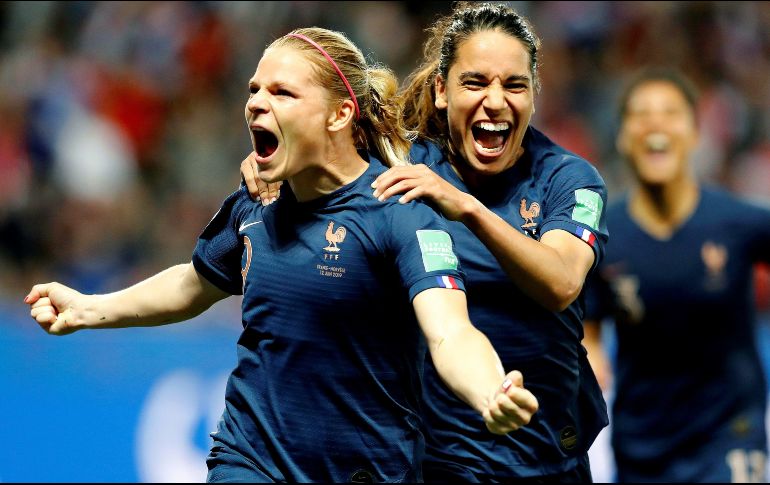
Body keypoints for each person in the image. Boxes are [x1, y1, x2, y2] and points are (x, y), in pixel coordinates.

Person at [24, 27, 540, 483]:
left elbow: (450, 331)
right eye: (253, 90)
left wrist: (489, 389)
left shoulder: (400, 213)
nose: (255, 103)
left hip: (369, 468)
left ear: (340, 114)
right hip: (250, 459)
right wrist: (88, 308)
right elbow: (192, 284)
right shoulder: (254, 203)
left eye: (281, 92)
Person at [241, 3, 609, 482]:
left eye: (514, 85)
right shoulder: (399, 167)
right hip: (436, 460)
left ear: (534, 95)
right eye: (475, 82)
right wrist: (273, 165)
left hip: (549, 455)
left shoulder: (571, 180)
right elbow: (316, 145)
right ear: (441, 90)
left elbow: (561, 283)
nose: (495, 101)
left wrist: (468, 209)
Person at [582, 67, 770, 483]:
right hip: (642, 444)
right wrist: (592, 353)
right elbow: (589, 328)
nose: (655, 123)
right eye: (641, 113)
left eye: (670, 112)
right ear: (621, 136)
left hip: (730, 433)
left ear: (694, 133)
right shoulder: (602, 238)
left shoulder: (738, 223)